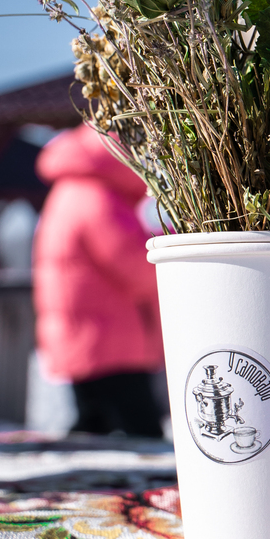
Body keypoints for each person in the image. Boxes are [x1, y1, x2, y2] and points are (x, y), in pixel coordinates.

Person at [32, 126, 164, 438]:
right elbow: (138, 267)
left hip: (86, 335)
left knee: (93, 430)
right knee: (144, 435)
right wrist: (172, 247)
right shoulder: (98, 198)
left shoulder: (71, 190)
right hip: (111, 341)